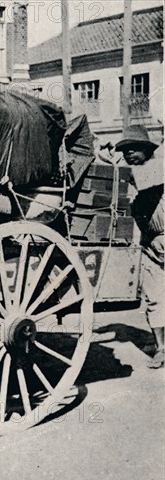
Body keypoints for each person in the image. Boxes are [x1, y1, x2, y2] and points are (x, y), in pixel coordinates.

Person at [109, 125, 164, 368]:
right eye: (125, 150)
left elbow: (135, 178)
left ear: (147, 149)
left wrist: (106, 157)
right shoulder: (138, 170)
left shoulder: (158, 166)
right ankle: (162, 348)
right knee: (154, 297)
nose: (128, 154)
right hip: (150, 244)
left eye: (133, 149)